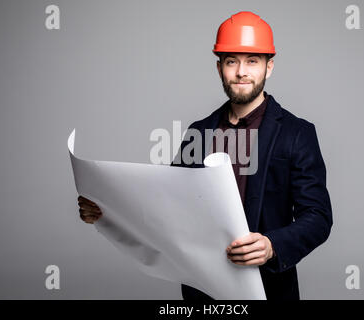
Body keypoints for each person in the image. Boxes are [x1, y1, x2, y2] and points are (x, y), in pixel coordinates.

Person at [77, 11, 333, 301]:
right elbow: (163, 207)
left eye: (252, 61)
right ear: (219, 67)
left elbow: (318, 217)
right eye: (231, 61)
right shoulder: (198, 132)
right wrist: (106, 213)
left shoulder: (297, 133)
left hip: (269, 287)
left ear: (269, 67)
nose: (241, 72)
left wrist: (273, 245)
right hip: (202, 290)